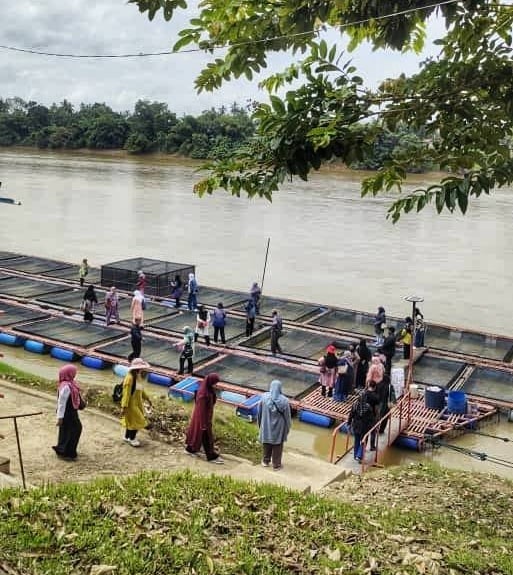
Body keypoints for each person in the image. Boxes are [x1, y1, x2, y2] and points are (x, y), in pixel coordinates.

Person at [185, 373, 224, 463]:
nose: (215, 385)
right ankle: (211, 456)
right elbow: (201, 409)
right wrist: (203, 424)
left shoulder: (208, 389)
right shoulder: (203, 394)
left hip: (203, 418)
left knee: (197, 435)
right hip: (202, 419)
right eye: (215, 383)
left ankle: (190, 449)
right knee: (207, 437)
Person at [257, 379, 292, 470]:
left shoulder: (264, 397)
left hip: (266, 426)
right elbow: (287, 417)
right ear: (280, 388)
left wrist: (260, 425)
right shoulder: (285, 401)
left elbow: (259, 413)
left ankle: (265, 461)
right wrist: (287, 428)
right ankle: (276, 465)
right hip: (279, 428)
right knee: (278, 446)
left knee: (266, 443)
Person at [52, 364, 83, 460]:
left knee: (66, 431)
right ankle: (67, 453)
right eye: (74, 372)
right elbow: (61, 403)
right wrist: (60, 418)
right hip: (68, 413)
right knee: (75, 429)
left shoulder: (70, 383)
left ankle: (63, 450)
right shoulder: (66, 387)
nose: (75, 374)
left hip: (71, 412)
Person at [120, 358, 152, 447]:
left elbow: (141, 389)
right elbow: (126, 394)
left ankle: (127, 436)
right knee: (138, 421)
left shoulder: (138, 376)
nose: (142, 369)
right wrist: (124, 406)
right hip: (130, 404)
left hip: (138, 403)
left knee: (131, 421)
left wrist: (147, 398)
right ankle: (132, 438)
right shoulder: (129, 378)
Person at [347, 388, 376, 462]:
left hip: (356, 426)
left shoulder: (355, 405)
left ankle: (355, 455)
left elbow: (351, 415)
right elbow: (371, 418)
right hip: (364, 427)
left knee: (356, 440)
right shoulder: (368, 407)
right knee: (364, 441)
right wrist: (374, 426)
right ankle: (359, 456)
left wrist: (349, 423)